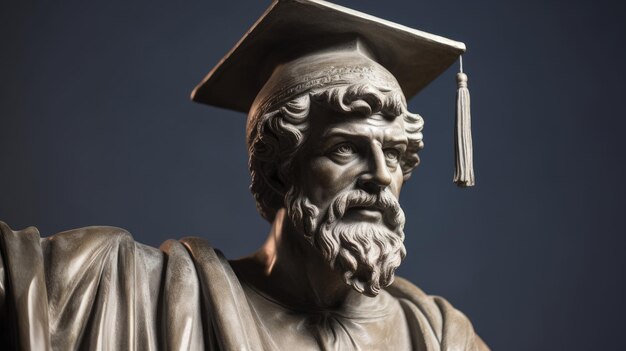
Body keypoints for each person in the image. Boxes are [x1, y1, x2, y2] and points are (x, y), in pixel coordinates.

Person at [0, 0, 488, 349]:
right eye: (344, 149)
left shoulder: (440, 335)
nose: (381, 176)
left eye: (395, 154)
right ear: (279, 171)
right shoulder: (127, 291)